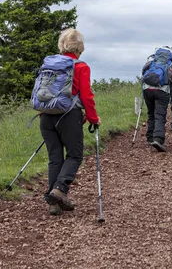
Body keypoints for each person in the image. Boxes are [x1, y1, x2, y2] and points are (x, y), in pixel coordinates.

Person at [41, 28, 101, 215]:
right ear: (79, 48)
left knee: (55, 158)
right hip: (69, 116)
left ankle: (53, 203)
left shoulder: (49, 65)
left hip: (45, 116)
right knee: (75, 155)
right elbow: (86, 96)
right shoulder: (81, 67)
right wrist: (93, 118)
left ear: (62, 45)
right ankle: (59, 189)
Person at [141, 47, 172, 152]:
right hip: (162, 91)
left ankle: (150, 137)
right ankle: (158, 139)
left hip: (147, 90)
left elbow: (143, 75)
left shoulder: (151, 61)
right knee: (159, 115)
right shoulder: (170, 64)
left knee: (151, 113)